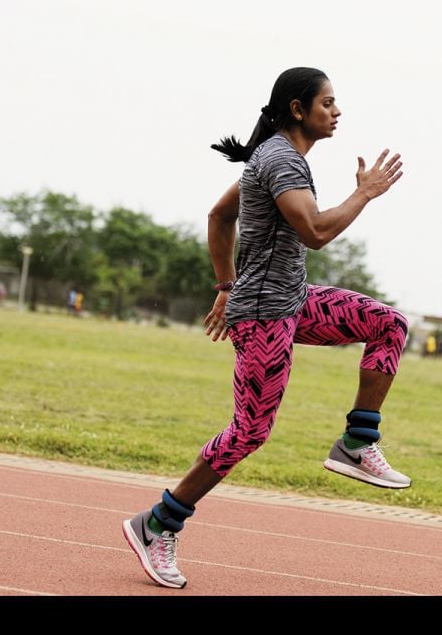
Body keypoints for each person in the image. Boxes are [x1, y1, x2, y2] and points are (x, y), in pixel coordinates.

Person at [122, 67, 409, 589]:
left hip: (292, 302)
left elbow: (219, 215)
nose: (337, 111)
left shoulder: (275, 158)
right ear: (298, 110)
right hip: (263, 317)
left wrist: (225, 285)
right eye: (327, 102)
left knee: (389, 323)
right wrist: (364, 194)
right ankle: (156, 524)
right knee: (249, 432)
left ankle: (356, 441)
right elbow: (317, 231)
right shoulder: (280, 160)